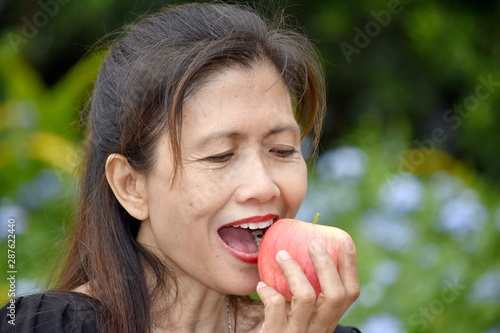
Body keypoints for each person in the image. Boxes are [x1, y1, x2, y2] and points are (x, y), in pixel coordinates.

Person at [1, 2, 360, 332]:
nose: (264, 186)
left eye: (282, 150)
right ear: (130, 186)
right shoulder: (43, 325)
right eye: (220, 155)